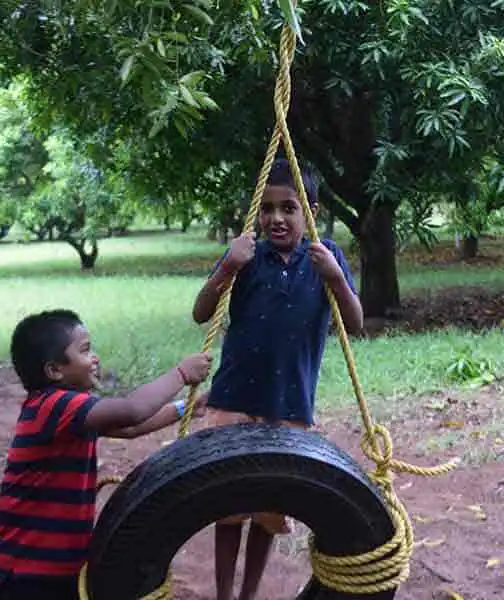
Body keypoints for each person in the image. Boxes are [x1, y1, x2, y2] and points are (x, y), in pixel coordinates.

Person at [192, 158, 364, 600]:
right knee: (228, 507)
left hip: (288, 404)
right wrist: (228, 266)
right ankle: (224, 595)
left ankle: (249, 594)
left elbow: (356, 321)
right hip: (233, 397)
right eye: (267, 208)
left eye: (288, 207)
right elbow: (201, 313)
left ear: (311, 209)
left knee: (268, 510)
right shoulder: (246, 254)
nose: (276, 218)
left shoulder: (327, 257)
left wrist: (336, 278)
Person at [0, 309, 212, 600]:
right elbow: (132, 410)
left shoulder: (68, 409)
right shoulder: (57, 406)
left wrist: (185, 409)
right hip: (24, 567)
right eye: (85, 350)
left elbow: (129, 428)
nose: (95, 357)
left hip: (44, 563)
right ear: (54, 370)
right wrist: (180, 373)